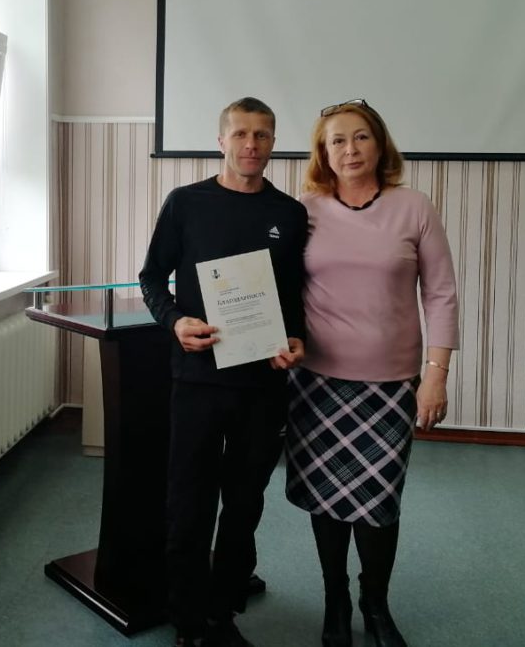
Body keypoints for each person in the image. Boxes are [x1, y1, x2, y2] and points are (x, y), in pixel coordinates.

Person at [285, 100, 459, 647]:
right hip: (316, 382)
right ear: (323, 152)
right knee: (326, 498)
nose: (350, 149)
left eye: (361, 137)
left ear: (380, 145)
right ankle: (335, 600)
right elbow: (280, 288)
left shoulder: (414, 207)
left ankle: (375, 602)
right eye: (337, 140)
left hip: (391, 384)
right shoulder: (304, 211)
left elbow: (441, 294)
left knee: (379, 503)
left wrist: (436, 374)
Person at [140, 97, 308, 647]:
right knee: (188, 504)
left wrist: (296, 339)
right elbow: (151, 278)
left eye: (262, 135)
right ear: (221, 141)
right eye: (240, 134)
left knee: (243, 507)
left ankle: (222, 612)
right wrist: (175, 322)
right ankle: (188, 622)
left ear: (274, 142)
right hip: (197, 381)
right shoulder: (186, 203)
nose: (251, 145)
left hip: (262, 387)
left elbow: (293, 297)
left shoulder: (289, 214)